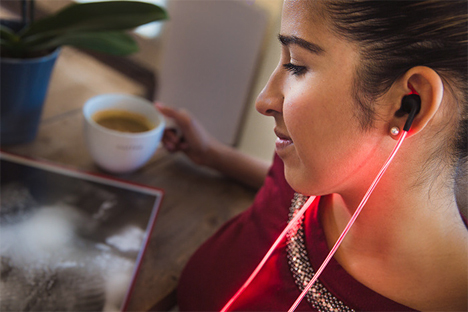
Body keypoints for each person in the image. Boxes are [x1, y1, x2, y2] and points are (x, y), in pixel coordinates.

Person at [156, 0, 468, 310]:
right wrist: (213, 155)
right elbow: (275, 192)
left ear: (408, 102)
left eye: (296, 66)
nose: (264, 101)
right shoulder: (309, 165)